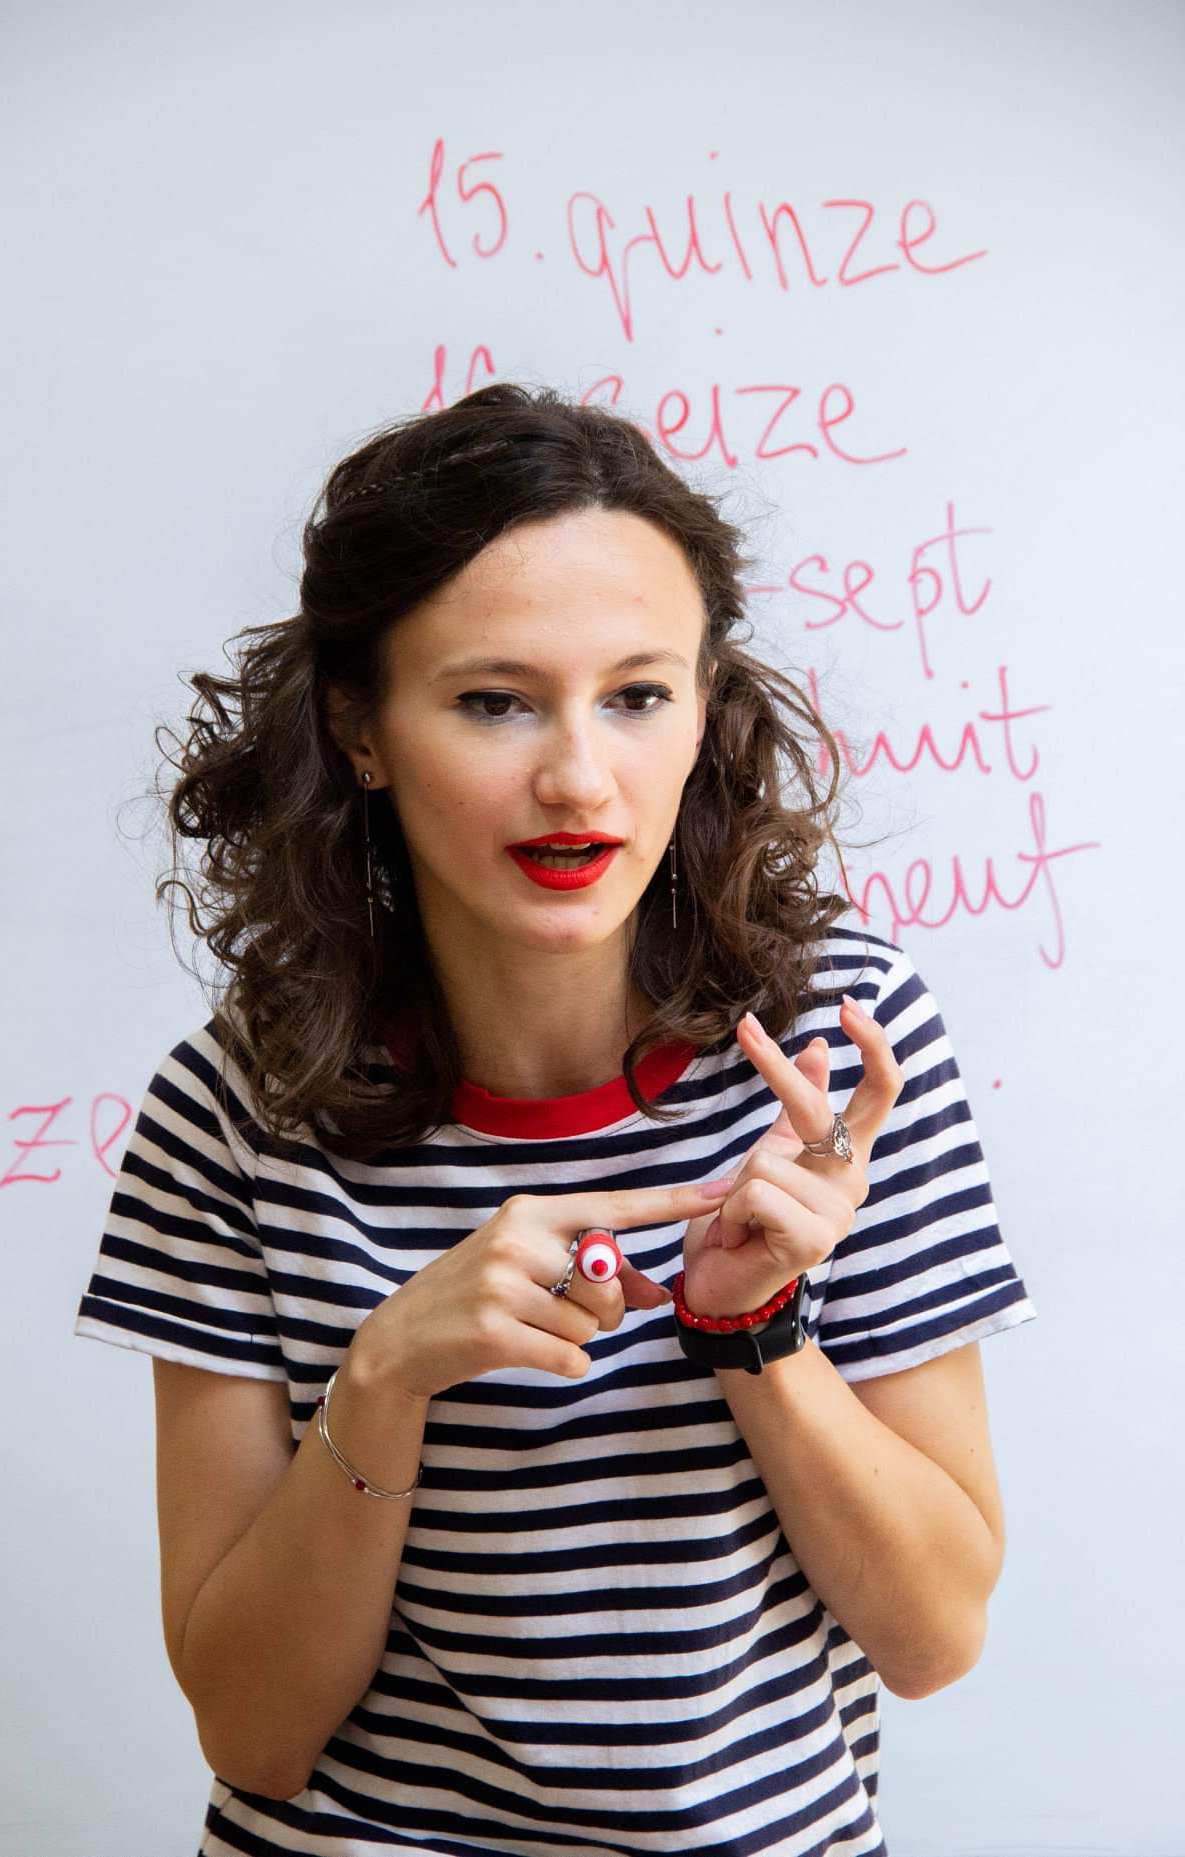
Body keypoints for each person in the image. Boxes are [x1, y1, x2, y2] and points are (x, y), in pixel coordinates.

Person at [73, 382, 1037, 1856]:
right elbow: (254, 1730)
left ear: (706, 709)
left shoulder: (843, 1050)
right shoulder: (234, 1111)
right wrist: (387, 1374)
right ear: (364, 727)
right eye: (494, 700)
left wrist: (752, 1334)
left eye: (638, 694)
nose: (580, 775)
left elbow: (933, 1634)